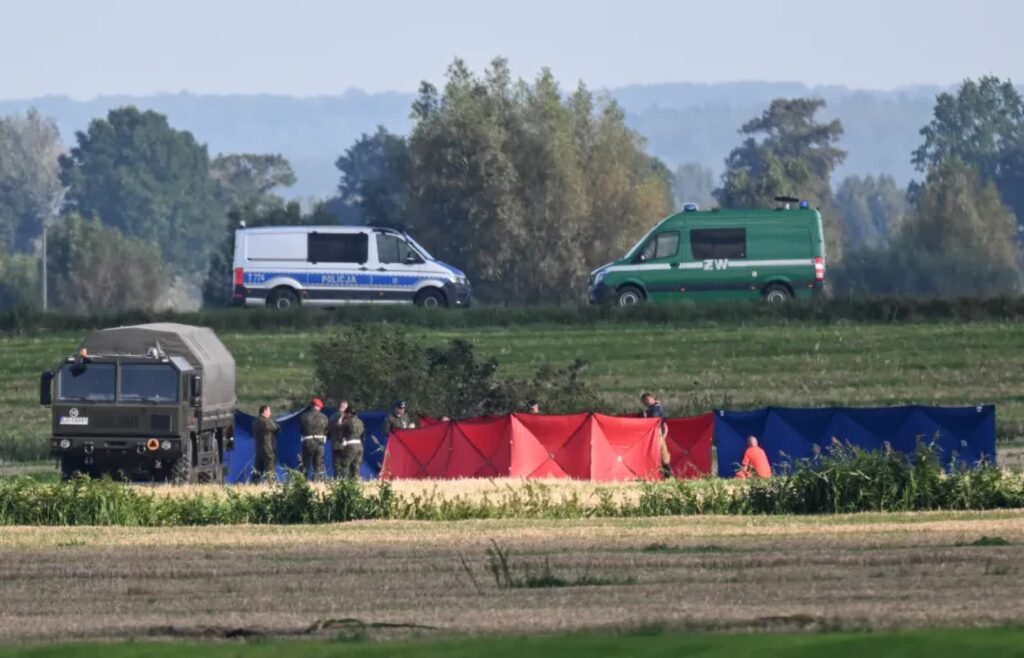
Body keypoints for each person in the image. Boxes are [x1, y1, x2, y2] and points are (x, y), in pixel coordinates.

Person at [641, 392, 672, 479]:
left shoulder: (656, 408)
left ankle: (666, 475)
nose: (646, 403)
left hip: (656, 434)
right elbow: (665, 424)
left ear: (649, 399)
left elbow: (654, 419)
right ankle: (665, 475)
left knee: (662, 456)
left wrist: (645, 415)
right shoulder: (655, 408)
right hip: (658, 435)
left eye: (646, 401)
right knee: (663, 455)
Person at [299, 398, 329, 481]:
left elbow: (301, 429)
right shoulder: (324, 417)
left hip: (307, 441)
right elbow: (326, 429)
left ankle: (302, 481)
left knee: (305, 463)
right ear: (317, 406)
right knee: (318, 463)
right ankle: (316, 481)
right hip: (319, 442)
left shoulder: (304, 416)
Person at [251, 405, 280, 483]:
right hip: (268, 449)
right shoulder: (265, 421)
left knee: (258, 470)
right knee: (270, 469)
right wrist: (271, 421)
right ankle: (271, 484)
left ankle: (254, 484)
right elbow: (276, 427)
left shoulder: (255, 422)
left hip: (258, 449)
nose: (270, 413)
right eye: (269, 411)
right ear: (264, 411)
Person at [334, 406, 365, 479]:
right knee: (356, 466)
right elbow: (363, 435)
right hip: (360, 445)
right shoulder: (361, 422)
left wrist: (341, 418)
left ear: (348, 413)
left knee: (345, 465)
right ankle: (356, 482)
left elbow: (338, 427)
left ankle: (343, 482)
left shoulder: (347, 422)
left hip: (351, 445)